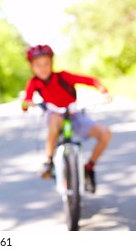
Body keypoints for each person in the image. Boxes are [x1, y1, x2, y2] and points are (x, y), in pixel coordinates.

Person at [21, 44, 112, 193]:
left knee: (105, 134)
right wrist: (27, 103)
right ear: (32, 66)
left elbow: (91, 80)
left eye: (46, 63)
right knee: (54, 118)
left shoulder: (63, 76)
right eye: (38, 65)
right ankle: (49, 161)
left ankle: (89, 168)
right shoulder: (33, 83)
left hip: (74, 114)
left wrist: (104, 91)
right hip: (55, 116)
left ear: (52, 63)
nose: (43, 68)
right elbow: (26, 102)